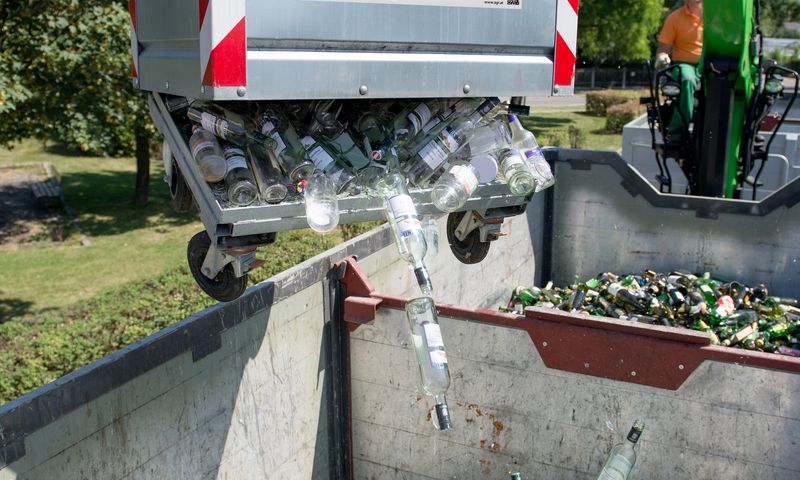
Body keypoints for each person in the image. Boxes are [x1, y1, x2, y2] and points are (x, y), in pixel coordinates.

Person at [655, 0, 703, 138]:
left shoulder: (716, 17)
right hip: (684, 65)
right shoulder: (675, 18)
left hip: (709, 64)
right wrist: (662, 56)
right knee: (687, 80)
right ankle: (677, 130)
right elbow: (664, 47)